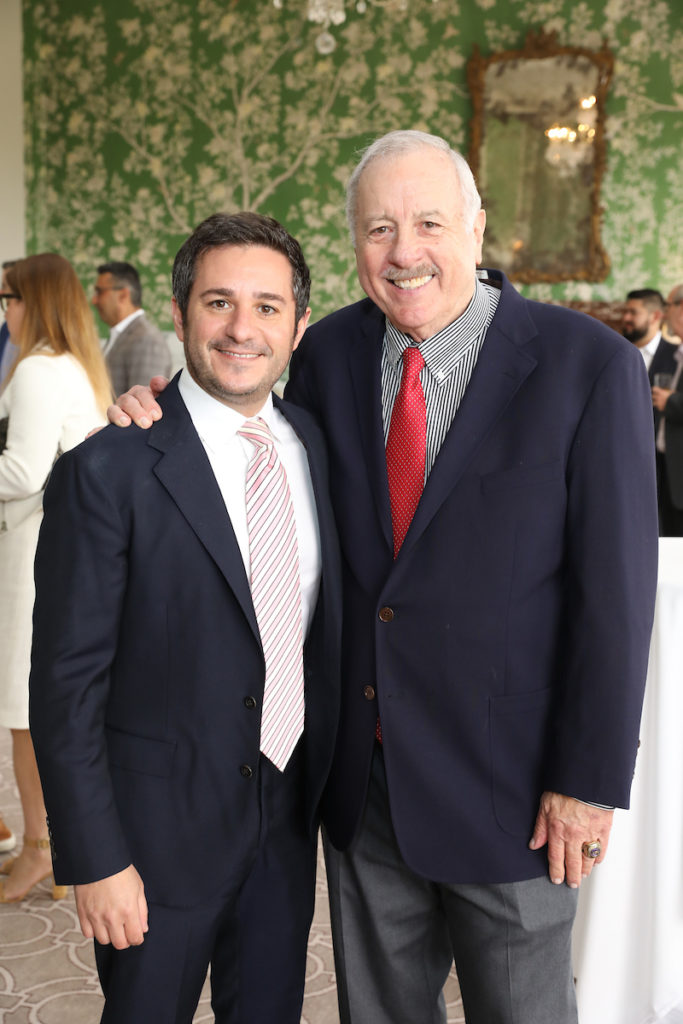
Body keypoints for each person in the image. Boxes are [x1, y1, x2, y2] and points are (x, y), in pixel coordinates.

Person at [107, 131, 658, 1024]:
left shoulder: (585, 365)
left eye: (428, 223)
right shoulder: (324, 354)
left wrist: (586, 782)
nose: (404, 252)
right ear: (354, 243)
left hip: (514, 792)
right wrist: (157, 412)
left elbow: (616, 599)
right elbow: (243, 433)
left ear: (475, 228)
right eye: (378, 229)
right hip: (362, 786)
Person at [29, 214, 341, 1024]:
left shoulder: (319, 446)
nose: (242, 329)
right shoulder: (106, 468)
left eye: (268, 307)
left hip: (284, 825)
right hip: (150, 843)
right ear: (179, 312)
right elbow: (65, 685)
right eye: (218, 302)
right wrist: (96, 859)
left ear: (298, 324)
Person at [0, 253, 111, 902]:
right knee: (38, 708)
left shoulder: (40, 369)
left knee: (24, 711)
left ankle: (40, 849)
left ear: (34, 301)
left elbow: (23, 471)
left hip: (31, 551)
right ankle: (50, 844)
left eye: (9, 298)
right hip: (54, 546)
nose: (5, 311)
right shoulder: (69, 364)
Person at [92, 261, 172, 395]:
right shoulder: (122, 335)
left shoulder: (146, 340)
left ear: (123, 295)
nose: (94, 300)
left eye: (100, 292)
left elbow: (143, 403)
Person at [621, 287, 677, 435]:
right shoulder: (617, 353)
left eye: (633, 312)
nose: (625, 318)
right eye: (625, 312)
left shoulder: (676, 357)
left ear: (655, 316)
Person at [652, 283, 683, 536]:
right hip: (667, 467)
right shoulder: (676, 353)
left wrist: (671, 401)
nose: (664, 313)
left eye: (668, 306)